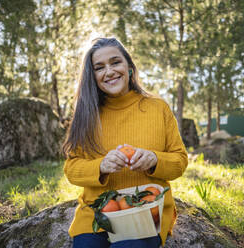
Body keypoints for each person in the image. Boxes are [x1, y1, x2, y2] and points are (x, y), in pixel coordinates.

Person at [62, 37, 188, 248]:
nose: (109, 71)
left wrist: (155, 159)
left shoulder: (158, 108)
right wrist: (100, 166)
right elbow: (71, 169)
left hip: (147, 215)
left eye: (115, 62)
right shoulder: (86, 114)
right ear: (93, 76)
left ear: (129, 67)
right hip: (97, 216)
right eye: (99, 67)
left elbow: (180, 162)